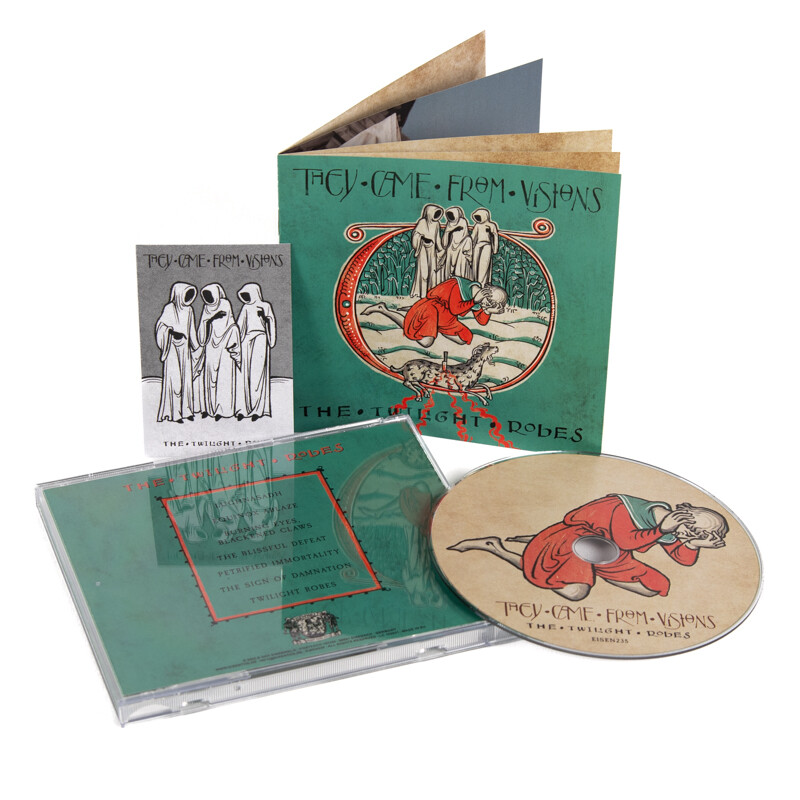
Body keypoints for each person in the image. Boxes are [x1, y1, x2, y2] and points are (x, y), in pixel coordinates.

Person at [448, 496, 728, 600]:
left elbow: (683, 558)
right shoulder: (626, 509)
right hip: (573, 541)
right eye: (692, 533)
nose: (683, 537)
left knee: (654, 587)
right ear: (684, 521)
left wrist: (694, 543)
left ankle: (591, 568)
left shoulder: (672, 528)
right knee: (576, 593)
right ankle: (496, 548)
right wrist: (662, 531)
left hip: (610, 553)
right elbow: (627, 541)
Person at [363, 277, 507, 348]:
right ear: (486, 295)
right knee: (426, 342)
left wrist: (488, 310)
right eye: (489, 304)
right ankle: (383, 309)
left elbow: (482, 321)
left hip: (446, 317)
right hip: (431, 309)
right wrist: (474, 301)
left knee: (464, 338)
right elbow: (456, 309)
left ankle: (419, 316)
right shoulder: (460, 286)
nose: (485, 305)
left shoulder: (480, 300)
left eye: (489, 305)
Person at [155, 282, 200, 422]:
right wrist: (172, 333)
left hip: (185, 349)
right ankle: (175, 413)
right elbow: (161, 327)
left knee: (186, 380)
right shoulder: (169, 308)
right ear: (179, 294)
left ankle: (186, 411)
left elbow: (191, 330)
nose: (188, 298)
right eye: (186, 294)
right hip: (172, 349)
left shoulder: (189, 310)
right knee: (175, 381)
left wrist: (197, 347)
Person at [196, 283, 241, 419]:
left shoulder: (225, 303)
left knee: (224, 378)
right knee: (210, 376)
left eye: (209, 295)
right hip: (210, 345)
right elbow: (203, 326)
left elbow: (230, 324)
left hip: (225, 346)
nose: (208, 298)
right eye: (205, 296)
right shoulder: (206, 308)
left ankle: (222, 410)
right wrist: (211, 319)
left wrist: (231, 341)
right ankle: (209, 408)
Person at [235, 283, 276, 421]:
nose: (246, 298)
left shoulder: (265, 306)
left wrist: (265, 317)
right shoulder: (246, 307)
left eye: (248, 294)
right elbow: (240, 326)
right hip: (246, 340)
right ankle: (243, 409)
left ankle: (257, 410)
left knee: (257, 374)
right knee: (244, 373)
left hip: (260, 338)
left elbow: (271, 322)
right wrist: (235, 343)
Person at [409, 204, 444, 296]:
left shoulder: (436, 224)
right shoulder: (422, 222)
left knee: (432, 272)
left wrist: (441, 250)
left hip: (432, 250)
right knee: (423, 272)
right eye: (435, 213)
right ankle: (421, 293)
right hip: (423, 249)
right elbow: (416, 235)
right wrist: (422, 239)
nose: (436, 216)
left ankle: (431, 293)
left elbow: (437, 238)